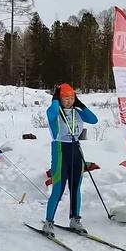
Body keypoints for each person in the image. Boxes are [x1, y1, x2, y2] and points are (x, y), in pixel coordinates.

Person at [42, 83, 98, 237]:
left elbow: (94, 120)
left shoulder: (77, 112)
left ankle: (75, 219)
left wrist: (80, 104)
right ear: (59, 99)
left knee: (75, 187)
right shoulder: (55, 112)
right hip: (60, 149)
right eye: (65, 98)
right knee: (58, 188)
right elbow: (52, 110)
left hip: (75, 149)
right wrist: (55, 99)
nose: (69, 101)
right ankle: (48, 222)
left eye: (71, 98)